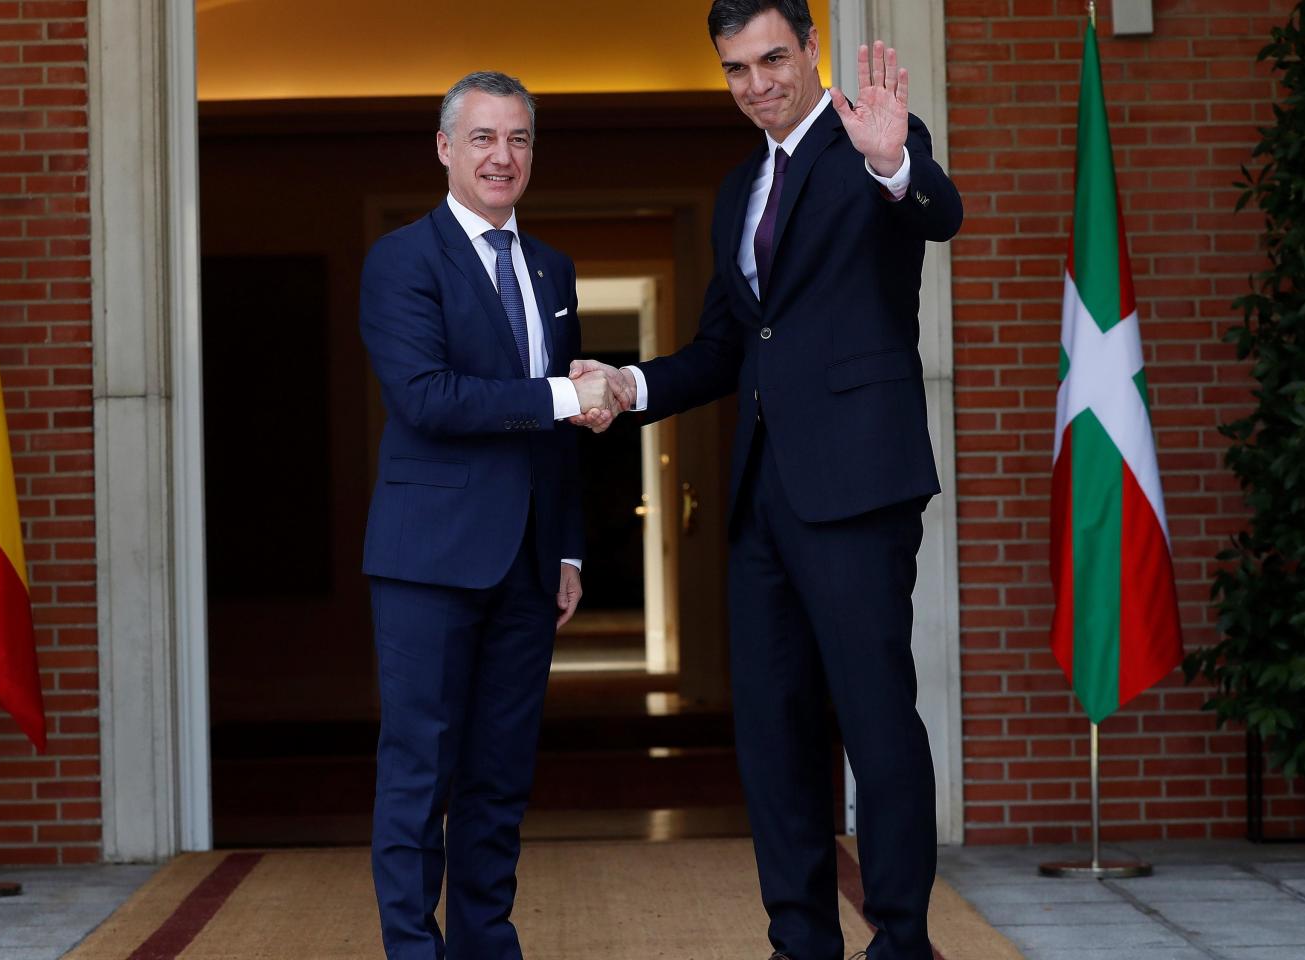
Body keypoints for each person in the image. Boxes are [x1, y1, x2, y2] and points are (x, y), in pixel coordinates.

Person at [574, 3, 963, 958]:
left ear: (809, 50)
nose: (756, 84)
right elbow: (723, 349)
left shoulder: (878, 138)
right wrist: (630, 384)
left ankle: (902, 940)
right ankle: (800, 940)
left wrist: (892, 165)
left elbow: (938, 211)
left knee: (876, 721)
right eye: (735, 68)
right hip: (761, 500)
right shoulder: (734, 190)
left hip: (859, 489)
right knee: (773, 736)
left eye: (772, 59)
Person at [358, 71, 627, 960]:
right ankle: (412, 950)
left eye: (518, 139)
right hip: (428, 562)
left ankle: (486, 944)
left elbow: (558, 435)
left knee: (499, 776)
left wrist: (572, 551)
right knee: (418, 773)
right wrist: (561, 394)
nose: (501, 156)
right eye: (482, 138)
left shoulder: (551, 266)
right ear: (444, 148)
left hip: (527, 562)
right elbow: (429, 398)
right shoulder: (403, 259)